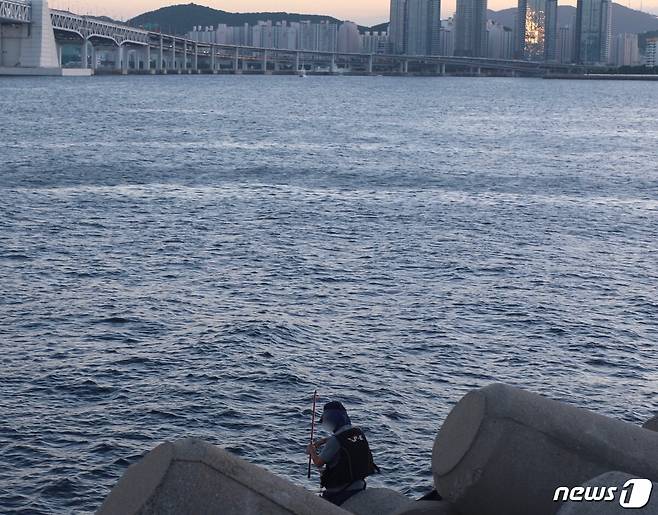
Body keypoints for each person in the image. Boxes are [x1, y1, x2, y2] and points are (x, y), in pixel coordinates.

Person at [306, 401, 380, 506]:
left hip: (341, 492)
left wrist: (311, 451)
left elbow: (318, 463)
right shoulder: (358, 432)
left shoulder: (334, 441)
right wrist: (324, 441)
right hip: (360, 484)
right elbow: (344, 438)